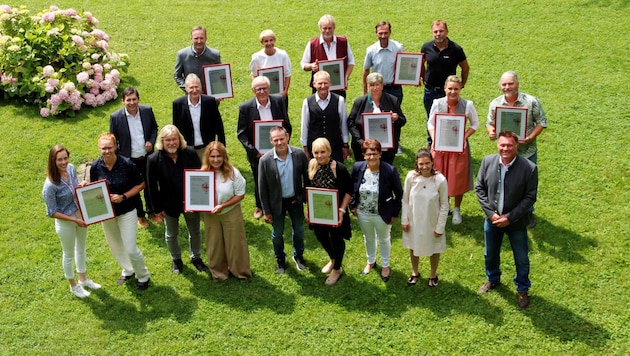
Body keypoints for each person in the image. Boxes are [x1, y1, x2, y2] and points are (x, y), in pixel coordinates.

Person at [475, 131, 538, 309]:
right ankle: (493, 279)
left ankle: (522, 289)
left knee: (522, 257)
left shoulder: (529, 168)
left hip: (516, 223)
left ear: (517, 146)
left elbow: (530, 197)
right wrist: (491, 214)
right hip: (492, 221)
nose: (505, 149)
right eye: (502, 145)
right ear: (497, 145)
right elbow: (479, 189)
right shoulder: (487, 162)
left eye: (509, 145)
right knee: (490, 253)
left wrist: (510, 218)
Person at [486, 71, 547, 228]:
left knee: (527, 185)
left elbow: (541, 122)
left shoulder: (531, 101)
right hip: (505, 153)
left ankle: (528, 213)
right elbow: (490, 123)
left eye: (510, 84)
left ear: (517, 84)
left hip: (527, 152)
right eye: (504, 84)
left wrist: (531, 137)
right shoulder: (495, 104)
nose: (507, 87)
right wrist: (491, 131)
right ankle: (506, 210)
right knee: (507, 182)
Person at [90, 133, 151, 290]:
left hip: (127, 210)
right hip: (107, 213)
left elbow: (141, 184)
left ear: (115, 147)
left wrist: (123, 196)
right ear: (99, 148)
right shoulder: (96, 167)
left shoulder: (127, 164)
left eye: (110, 147)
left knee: (130, 247)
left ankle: (143, 276)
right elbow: (93, 189)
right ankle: (128, 270)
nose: (107, 151)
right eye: (103, 148)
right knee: (115, 246)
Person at [146, 125, 208, 274]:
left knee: (195, 231)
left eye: (174, 139)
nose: (171, 143)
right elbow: (151, 186)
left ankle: (196, 257)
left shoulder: (190, 153)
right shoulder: (153, 159)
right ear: (162, 141)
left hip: (190, 201)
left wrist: (199, 201)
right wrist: (156, 209)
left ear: (179, 140)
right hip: (168, 204)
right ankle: (176, 259)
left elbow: (200, 178)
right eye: (168, 140)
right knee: (171, 233)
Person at [42, 145, 101, 298]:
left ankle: (83, 279)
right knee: (68, 254)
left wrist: (81, 186)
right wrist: (74, 220)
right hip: (66, 222)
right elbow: (52, 212)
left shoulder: (71, 168)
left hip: (79, 215)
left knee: (81, 249)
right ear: (53, 161)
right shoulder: (50, 185)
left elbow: (74, 189)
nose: (63, 162)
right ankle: (73, 286)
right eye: (59, 159)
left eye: (65, 158)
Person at [237, 76, 292, 220]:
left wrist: (284, 143)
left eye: (264, 88)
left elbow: (286, 124)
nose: (262, 91)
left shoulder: (278, 101)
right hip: (258, 154)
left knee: (281, 177)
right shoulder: (245, 108)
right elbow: (241, 134)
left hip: (279, 149)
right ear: (253, 90)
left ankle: (282, 205)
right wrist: (255, 152)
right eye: (258, 89)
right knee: (259, 179)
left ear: (269, 88)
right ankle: (260, 206)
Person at [427, 75, 478, 224]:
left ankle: (457, 209)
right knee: (439, 177)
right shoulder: (437, 103)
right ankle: (444, 206)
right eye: (450, 88)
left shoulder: (468, 105)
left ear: (460, 89)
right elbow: (430, 123)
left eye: (456, 89)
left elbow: (475, 124)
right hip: (440, 147)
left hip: (458, 148)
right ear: (445, 88)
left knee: (458, 179)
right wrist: (435, 139)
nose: (453, 92)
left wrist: (464, 137)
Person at [258, 126, 309, 274]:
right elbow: (262, 188)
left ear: (287, 137)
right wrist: (266, 211)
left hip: (295, 200)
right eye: (276, 140)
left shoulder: (299, 154)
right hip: (276, 203)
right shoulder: (264, 160)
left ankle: (298, 255)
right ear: (271, 141)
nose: (279, 142)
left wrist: (303, 198)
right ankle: (280, 258)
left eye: (282, 138)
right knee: (277, 233)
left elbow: (307, 179)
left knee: (299, 229)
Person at [350, 139, 402, 282]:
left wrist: (394, 213)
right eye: (368, 154)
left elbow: (399, 193)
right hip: (363, 213)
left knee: (384, 239)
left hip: (382, 213)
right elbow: (351, 188)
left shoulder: (389, 171)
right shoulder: (357, 167)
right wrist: (352, 205)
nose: (371, 157)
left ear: (380, 154)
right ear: (363, 155)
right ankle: (370, 261)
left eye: (374, 154)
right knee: (368, 238)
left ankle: (385, 265)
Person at [202, 141, 252, 281]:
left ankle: (240, 272)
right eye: (212, 156)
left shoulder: (233, 173)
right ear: (208, 157)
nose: (216, 160)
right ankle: (219, 274)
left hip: (231, 211)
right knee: (214, 243)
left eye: (219, 156)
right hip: (211, 214)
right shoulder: (202, 173)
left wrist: (223, 206)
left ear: (224, 157)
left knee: (236, 242)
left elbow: (240, 195)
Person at [109, 87, 158, 228]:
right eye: (128, 100)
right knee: (135, 189)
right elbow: (113, 139)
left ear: (138, 99)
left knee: (150, 186)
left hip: (147, 157)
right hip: (129, 160)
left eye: (134, 99)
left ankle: (151, 211)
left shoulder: (147, 111)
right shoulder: (116, 118)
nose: (131, 103)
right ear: (123, 101)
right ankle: (140, 216)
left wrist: (151, 141)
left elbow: (154, 128)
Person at [306, 138, 352, 286]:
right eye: (316, 153)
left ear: (330, 151)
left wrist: (342, 211)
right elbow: (308, 190)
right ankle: (333, 259)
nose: (320, 156)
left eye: (323, 152)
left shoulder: (339, 168)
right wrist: (308, 210)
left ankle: (337, 269)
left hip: (336, 212)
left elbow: (349, 191)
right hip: (319, 212)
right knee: (320, 235)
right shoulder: (312, 166)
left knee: (337, 239)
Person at [401, 149, 449, 287]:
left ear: (432, 163)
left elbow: (445, 205)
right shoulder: (411, 177)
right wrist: (405, 220)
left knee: (434, 248)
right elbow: (405, 200)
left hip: (432, 221)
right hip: (414, 221)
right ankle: (415, 272)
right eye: (421, 164)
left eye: (427, 163)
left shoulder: (440, 180)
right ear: (416, 163)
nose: (424, 167)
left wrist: (440, 227)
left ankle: (433, 274)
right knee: (413, 246)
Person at [421, 20, 469, 147]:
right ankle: (431, 144)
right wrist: (421, 77)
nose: (438, 34)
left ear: (447, 31)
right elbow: (420, 63)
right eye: (435, 31)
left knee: (449, 118)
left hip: (448, 92)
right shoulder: (426, 47)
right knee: (430, 118)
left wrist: (461, 84)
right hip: (430, 90)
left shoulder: (456, 49)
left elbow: (465, 67)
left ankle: (449, 144)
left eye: (441, 31)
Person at [347, 72, 406, 165]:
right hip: (364, 149)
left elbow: (403, 121)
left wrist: (396, 118)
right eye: (371, 85)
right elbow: (351, 123)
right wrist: (361, 141)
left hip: (387, 148)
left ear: (382, 86)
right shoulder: (359, 102)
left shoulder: (392, 100)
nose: (375, 88)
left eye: (377, 85)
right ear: (367, 86)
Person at [173, 73, 226, 162]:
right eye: (191, 87)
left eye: (197, 87)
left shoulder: (210, 102)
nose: (194, 90)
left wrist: (222, 147)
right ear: (186, 88)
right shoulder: (178, 104)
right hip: (188, 150)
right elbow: (176, 129)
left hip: (207, 148)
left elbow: (219, 126)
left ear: (201, 87)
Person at [300, 70, 350, 163]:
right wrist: (305, 148)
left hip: (335, 147)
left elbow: (343, 124)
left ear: (330, 83)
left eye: (325, 83)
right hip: (315, 149)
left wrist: (345, 145)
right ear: (314, 84)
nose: (323, 86)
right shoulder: (307, 102)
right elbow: (305, 125)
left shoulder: (339, 100)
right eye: (320, 83)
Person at [300, 14, 355, 97]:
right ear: (320, 28)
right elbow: (303, 64)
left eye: (330, 28)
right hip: (319, 89)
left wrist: (345, 78)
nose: (327, 31)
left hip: (339, 88)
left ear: (334, 28)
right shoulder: (312, 44)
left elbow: (351, 62)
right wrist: (311, 66)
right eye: (324, 28)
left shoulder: (343, 42)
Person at [363, 21, 405, 103]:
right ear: (376, 33)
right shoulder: (371, 50)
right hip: (377, 89)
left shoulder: (398, 48)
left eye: (386, 33)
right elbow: (366, 70)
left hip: (394, 89)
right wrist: (365, 91)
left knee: (394, 114)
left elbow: (404, 66)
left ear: (390, 32)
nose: (383, 36)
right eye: (380, 33)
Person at [249, 29, 292, 110]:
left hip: (280, 94)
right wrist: (258, 91)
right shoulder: (256, 57)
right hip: (263, 95)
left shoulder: (283, 55)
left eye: (271, 40)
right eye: (266, 41)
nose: (269, 43)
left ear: (275, 40)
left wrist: (285, 91)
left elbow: (287, 75)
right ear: (261, 42)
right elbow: (254, 75)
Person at [174, 25, 221, 93]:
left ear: (206, 39)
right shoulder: (182, 55)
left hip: (210, 97)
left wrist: (219, 92)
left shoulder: (215, 55)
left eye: (201, 38)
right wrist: (190, 89)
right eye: (196, 38)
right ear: (191, 39)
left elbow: (219, 76)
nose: (199, 41)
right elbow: (177, 76)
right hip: (191, 98)